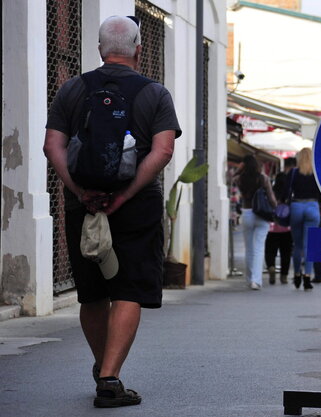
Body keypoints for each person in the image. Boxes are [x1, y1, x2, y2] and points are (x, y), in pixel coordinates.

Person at [43, 16, 181, 408]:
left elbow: (52, 146)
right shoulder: (155, 93)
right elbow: (164, 151)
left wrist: (81, 191)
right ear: (138, 48)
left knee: (92, 293)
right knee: (128, 290)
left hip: (82, 207)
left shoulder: (72, 88)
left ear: (100, 50)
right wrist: (125, 195)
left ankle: (104, 367)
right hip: (137, 206)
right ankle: (110, 374)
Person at [234, 155, 278, 291]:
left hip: (247, 213)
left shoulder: (239, 179)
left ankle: (249, 279)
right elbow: (271, 199)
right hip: (262, 215)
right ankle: (256, 281)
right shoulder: (263, 178)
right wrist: (275, 208)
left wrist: (238, 170)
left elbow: (228, 179)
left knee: (249, 249)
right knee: (259, 248)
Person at [288, 147, 320, 291]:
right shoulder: (316, 173)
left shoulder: (293, 173)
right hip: (312, 206)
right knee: (310, 245)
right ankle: (307, 276)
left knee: (298, 245)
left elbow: (285, 192)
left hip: (296, 206)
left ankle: (296, 274)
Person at [265, 158, 295, 285]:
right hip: (287, 228)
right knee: (286, 252)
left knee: (270, 250)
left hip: (272, 227)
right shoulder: (290, 194)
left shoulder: (272, 193)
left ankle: (271, 266)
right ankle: (284, 275)